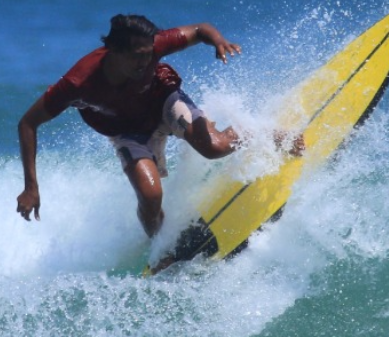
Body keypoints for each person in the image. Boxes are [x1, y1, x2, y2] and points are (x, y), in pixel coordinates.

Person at [16, 14, 242, 237]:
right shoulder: (78, 82)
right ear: (113, 50)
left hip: (163, 100)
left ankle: (256, 134)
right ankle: (162, 245)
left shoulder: (153, 46)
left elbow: (200, 29)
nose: (145, 63)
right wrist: (31, 187)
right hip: (126, 130)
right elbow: (27, 123)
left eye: (148, 55)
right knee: (150, 197)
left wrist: (219, 41)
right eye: (137, 57)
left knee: (215, 147)